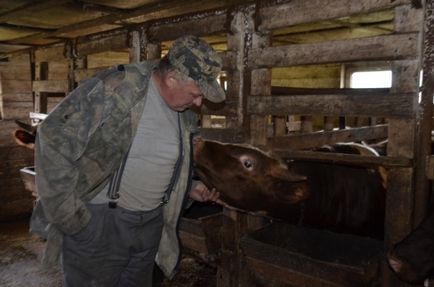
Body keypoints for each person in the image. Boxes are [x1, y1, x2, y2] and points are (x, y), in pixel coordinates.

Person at [31, 35, 225, 286]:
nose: (199, 102)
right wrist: (71, 218)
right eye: (196, 94)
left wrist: (188, 188)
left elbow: (155, 159)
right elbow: (53, 135)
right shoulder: (118, 88)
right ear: (172, 79)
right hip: (102, 223)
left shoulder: (183, 112)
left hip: (150, 224)